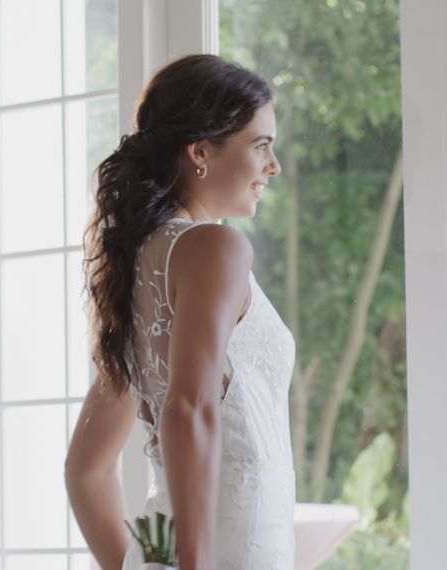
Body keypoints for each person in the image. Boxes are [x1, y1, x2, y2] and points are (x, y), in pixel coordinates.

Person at [65, 54, 295, 570]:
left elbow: (86, 470)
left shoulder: (134, 267)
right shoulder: (216, 248)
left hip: (176, 544)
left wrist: (141, 561)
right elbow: (189, 406)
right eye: (261, 146)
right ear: (200, 152)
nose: (273, 166)